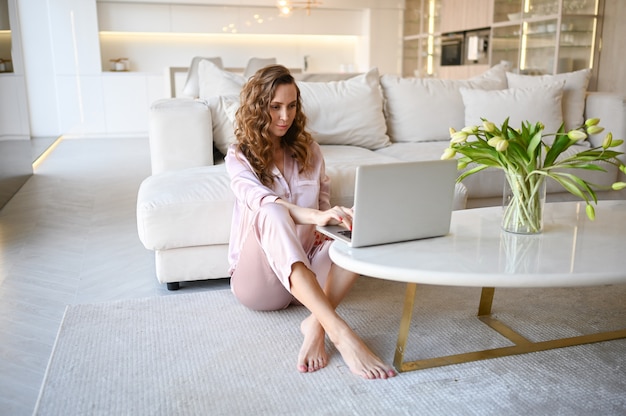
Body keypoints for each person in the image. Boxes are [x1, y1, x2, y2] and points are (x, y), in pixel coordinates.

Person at [224, 65, 396, 380]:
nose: (285, 116)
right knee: (272, 211)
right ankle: (341, 333)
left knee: (353, 232)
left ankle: (315, 325)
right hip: (260, 284)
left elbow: (322, 212)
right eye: (275, 107)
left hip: (308, 273)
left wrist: (338, 221)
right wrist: (316, 215)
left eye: (291, 106)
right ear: (257, 108)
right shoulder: (238, 156)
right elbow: (261, 202)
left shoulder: (310, 151)